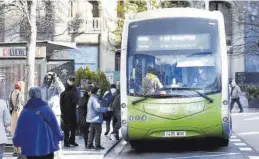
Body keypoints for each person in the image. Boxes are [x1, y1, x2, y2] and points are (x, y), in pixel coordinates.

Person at [13, 87, 63, 159]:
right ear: (40, 95)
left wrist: (17, 141)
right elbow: (54, 125)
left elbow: (19, 129)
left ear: (30, 95)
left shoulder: (25, 112)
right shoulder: (47, 109)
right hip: (47, 147)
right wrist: (59, 136)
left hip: (30, 149)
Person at [41, 72, 65, 159]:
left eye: (50, 78)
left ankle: (58, 155)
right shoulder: (42, 88)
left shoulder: (56, 87)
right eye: (47, 78)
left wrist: (56, 78)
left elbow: (63, 89)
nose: (48, 80)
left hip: (54, 114)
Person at [60, 75, 79, 147]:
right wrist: (62, 112)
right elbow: (61, 100)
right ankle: (66, 141)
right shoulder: (63, 88)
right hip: (65, 111)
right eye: (70, 80)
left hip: (73, 110)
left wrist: (77, 101)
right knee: (66, 128)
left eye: (73, 80)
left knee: (74, 126)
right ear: (67, 80)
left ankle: (72, 140)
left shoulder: (74, 88)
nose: (72, 82)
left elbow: (77, 97)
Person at [9, 82, 24, 157]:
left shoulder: (12, 93)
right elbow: (21, 103)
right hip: (19, 113)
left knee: (14, 132)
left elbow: (10, 104)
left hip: (13, 114)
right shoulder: (20, 93)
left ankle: (15, 150)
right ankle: (20, 150)